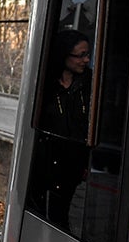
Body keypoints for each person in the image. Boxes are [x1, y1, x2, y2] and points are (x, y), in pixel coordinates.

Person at [33, 29, 93, 229]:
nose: (86, 60)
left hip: (74, 166)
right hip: (44, 165)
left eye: (87, 54)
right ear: (64, 56)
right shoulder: (45, 83)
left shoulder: (90, 84)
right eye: (80, 55)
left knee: (63, 221)